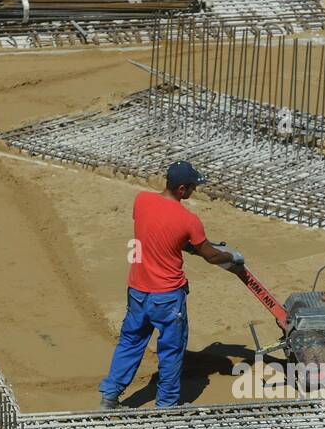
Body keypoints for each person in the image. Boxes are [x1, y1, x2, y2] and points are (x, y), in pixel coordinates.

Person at [99, 161, 241, 410]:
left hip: (138, 292)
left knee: (130, 343)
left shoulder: (141, 201)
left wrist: (183, 243)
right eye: (193, 188)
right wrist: (232, 257)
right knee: (172, 352)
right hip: (167, 298)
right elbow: (210, 255)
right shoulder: (189, 220)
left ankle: (109, 397)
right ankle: (166, 405)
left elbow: (156, 233)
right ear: (182, 189)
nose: (194, 192)